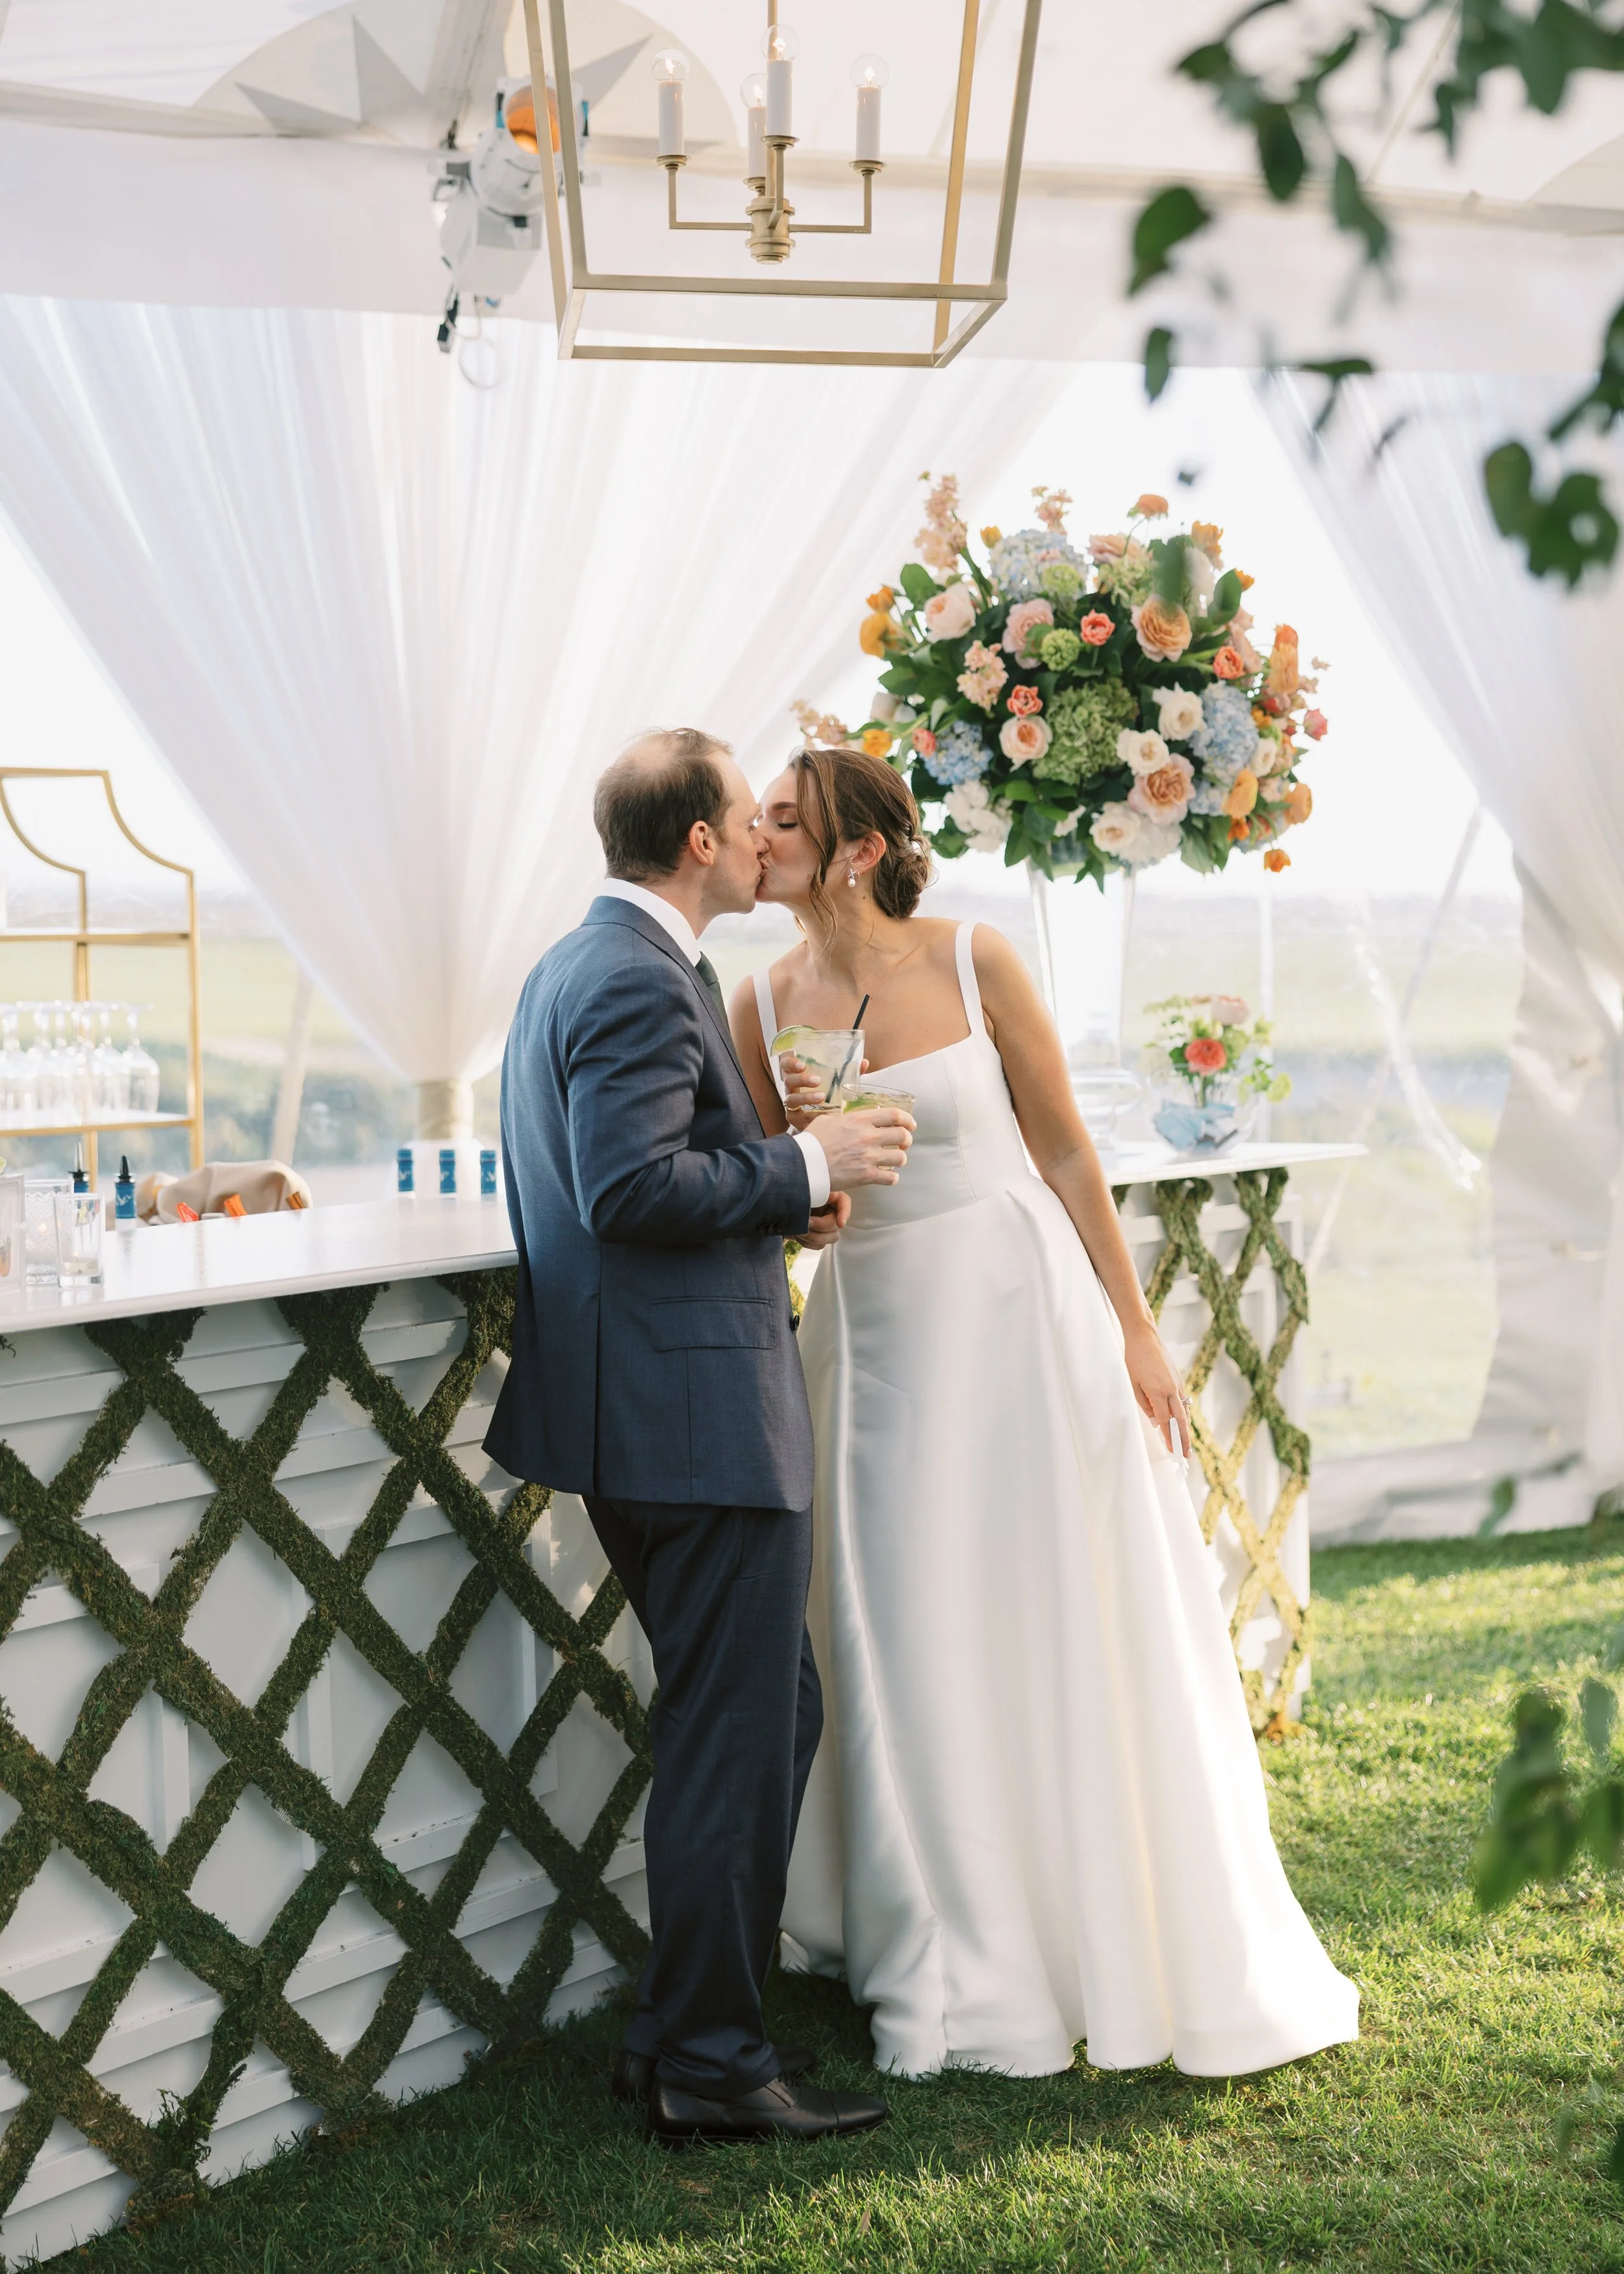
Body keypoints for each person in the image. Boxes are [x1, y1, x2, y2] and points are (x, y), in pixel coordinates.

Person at [730, 742, 1360, 2082]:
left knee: (1047, 1602)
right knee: (894, 1622)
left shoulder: (974, 959)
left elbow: (1067, 1149)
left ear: (851, 846)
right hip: (872, 1341)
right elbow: (791, 1202)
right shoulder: (759, 997)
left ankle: (1088, 1916)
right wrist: (799, 1163)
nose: (757, 835)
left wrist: (1134, 1328)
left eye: (785, 819)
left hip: (1018, 1317)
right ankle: (940, 1945)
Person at [485, 728, 915, 2145]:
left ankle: (674, 2033)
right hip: (691, 1415)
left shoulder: (587, 965)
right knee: (739, 1731)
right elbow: (624, 1187)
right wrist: (809, 1159)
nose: (759, 835)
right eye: (745, 816)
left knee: (753, 1714)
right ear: (696, 844)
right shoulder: (628, 976)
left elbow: (663, 1173)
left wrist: (778, 1180)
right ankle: (716, 2067)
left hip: (648, 1406)